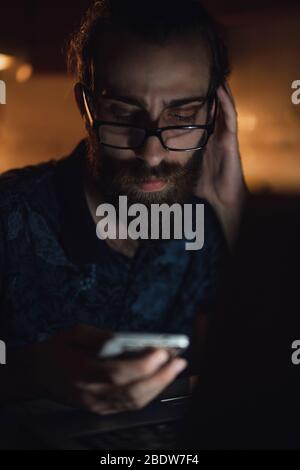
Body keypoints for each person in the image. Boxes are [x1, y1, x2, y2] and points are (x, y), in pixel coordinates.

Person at [0, 0, 247, 415]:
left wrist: (235, 207)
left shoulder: (210, 221)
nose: (152, 153)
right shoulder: (11, 214)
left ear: (216, 113)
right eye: (122, 113)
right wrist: (29, 372)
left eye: (182, 116)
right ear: (87, 108)